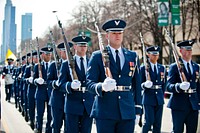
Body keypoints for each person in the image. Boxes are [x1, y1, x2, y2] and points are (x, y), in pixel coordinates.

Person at [86, 19, 142, 133]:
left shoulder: (132, 56)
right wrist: (102, 86)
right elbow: (89, 83)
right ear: (107, 35)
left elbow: (137, 85)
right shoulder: (97, 56)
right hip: (105, 111)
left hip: (127, 110)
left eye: (120, 33)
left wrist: (138, 109)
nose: (117, 36)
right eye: (114, 33)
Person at [58, 36, 95, 133]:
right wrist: (70, 85)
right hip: (72, 104)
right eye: (80, 45)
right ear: (75, 47)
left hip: (88, 104)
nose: (83, 48)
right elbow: (61, 84)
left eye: (85, 45)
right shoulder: (66, 64)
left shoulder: (92, 62)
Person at [166, 40, 200, 133]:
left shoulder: (196, 66)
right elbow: (168, 86)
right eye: (186, 49)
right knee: (177, 130)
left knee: (192, 130)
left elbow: (198, 86)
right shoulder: (174, 67)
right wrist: (179, 86)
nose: (189, 51)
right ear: (181, 51)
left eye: (190, 49)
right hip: (179, 105)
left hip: (193, 105)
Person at [47, 42, 72, 133]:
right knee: (56, 126)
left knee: (68, 128)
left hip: (70, 100)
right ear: (60, 52)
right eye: (64, 51)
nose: (66, 53)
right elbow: (48, 81)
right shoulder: (54, 65)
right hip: (57, 100)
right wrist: (55, 83)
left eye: (68, 51)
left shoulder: (73, 64)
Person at [140, 46, 166, 133]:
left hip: (159, 98)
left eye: (157, 54)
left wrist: (161, 95)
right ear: (148, 55)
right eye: (153, 54)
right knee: (148, 121)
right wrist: (145, 85)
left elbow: (164, 84)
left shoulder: (161, 68)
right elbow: (139, 84)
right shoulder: (143, 68)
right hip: (148, 97)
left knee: (158, 123)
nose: (155, 56)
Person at [33, 45, 53, 133]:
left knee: (50, 115)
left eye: (49, 54)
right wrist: (37, 80)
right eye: (46, 54)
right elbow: (34, 79)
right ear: (42, 55)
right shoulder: (38, 66)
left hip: (50, 93)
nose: (48, 56)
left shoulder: (53, 65)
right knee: (40, 113)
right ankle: (39, 128)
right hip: (40, 92)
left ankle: (48, 130)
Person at [24, 51, 39, 130]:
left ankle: (37, 123)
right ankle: (32, 121)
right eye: (34, 57)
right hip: (31, 89)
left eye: (37, 57)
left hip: (39, 90)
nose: (35, 59)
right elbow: (24, 78)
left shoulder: (40, 66)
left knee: (39, 109)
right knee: (31, 106)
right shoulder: (28, 68)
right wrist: (28, 80)